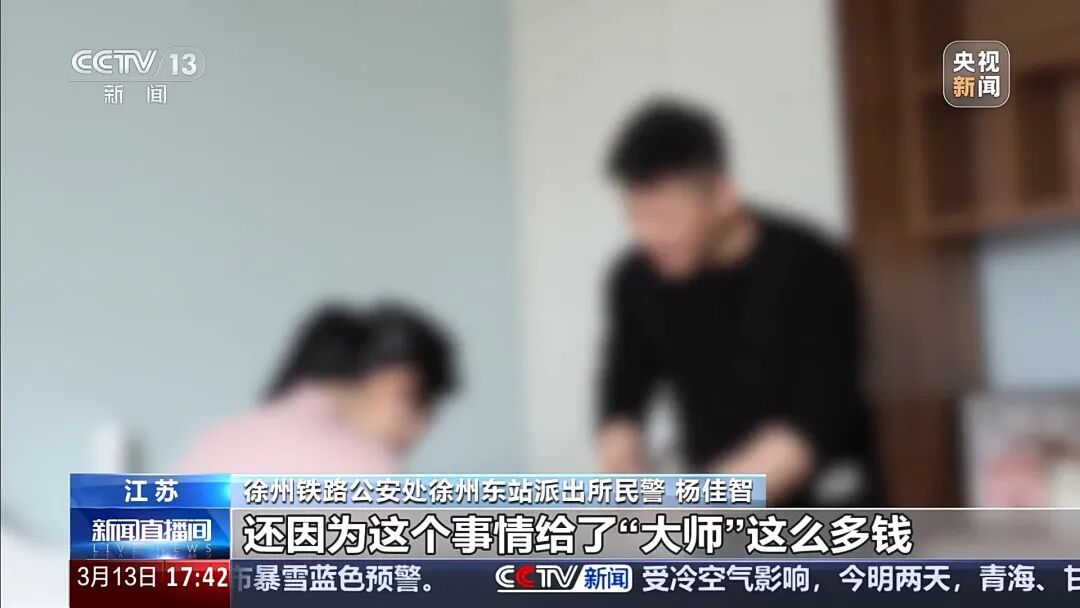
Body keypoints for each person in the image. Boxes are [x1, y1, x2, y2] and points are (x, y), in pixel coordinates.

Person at [597, 98, 879, 506]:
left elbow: (815, 420)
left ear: (722, 195)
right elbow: (623, 388)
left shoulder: (812, 266)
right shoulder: (636, 278)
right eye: (636, 216)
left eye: (665, 216)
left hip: (825, 506)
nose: (649, 235)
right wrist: (623, 461)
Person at [178, 302, 456, 473]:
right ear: (396, 384)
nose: (414, 437)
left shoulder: (215, 439)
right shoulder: (361, 467)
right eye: (422, 415)